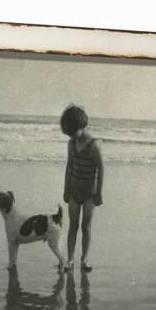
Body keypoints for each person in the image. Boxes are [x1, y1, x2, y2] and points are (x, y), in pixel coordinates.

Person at [60, 104, 104, 272]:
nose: (71, 136)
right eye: (68, 134)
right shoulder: (71, 144)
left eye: (72, 132)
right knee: (73, 226)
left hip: (89, 194)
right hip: (74, 192)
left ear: (81, 126)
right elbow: (68, 166)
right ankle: (70, 260)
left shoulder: (93, 145)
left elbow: (101, 169)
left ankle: (84, 259)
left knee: (86, 227)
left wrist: (99, 193)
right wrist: (66, 189)